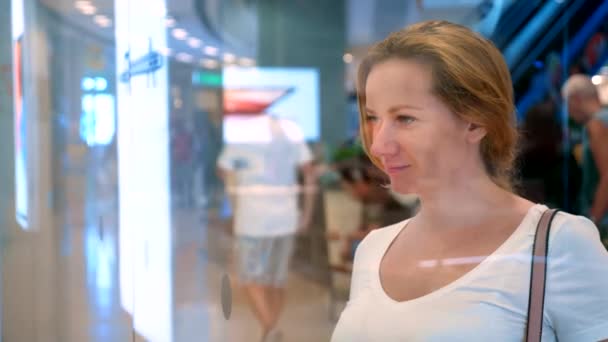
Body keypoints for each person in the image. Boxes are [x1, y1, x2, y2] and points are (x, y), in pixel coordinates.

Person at [331, 20, 608, 341]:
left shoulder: (558, 245)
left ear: (475, 122)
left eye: (405, 118)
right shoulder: (373, 250)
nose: (378, 145)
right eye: (373, 118)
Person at [217, 113, 315, 342]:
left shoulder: (241, 135)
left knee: (250, 278)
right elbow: (309, 173)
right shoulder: (291, 130)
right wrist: (307, 214)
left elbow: (224, 171)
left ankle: (270, 329)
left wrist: (233, 206)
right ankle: (270, 330)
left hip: (252, 218)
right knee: (276, 280)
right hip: (286, 217)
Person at [561, 74, 608, 243]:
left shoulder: (596, 125)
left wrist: (593, 221)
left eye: (567, 104)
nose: (567, 111)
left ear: (576, 99)